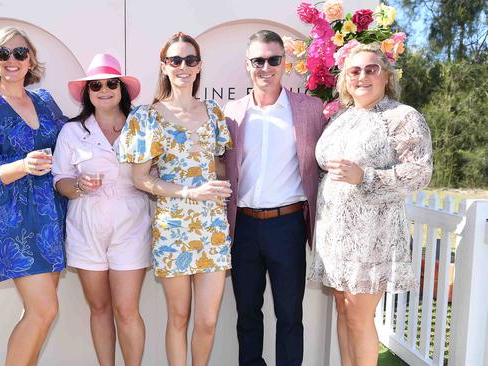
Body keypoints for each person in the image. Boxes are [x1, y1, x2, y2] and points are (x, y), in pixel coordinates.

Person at [308, 43, 432, 366]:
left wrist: (366, 176)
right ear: (345, 79)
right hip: (336, 237)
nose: (362, 76)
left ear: (386, 76)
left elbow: (419, 172)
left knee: (359, 317)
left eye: (371, 69)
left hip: (372, 237)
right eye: (354, 70)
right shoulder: (341, 118)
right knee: (344, 310)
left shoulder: (402, 118)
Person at [118, 32, 232, 366]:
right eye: (175, 60)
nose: (183, 66)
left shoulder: (213, 112)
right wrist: (188, 191)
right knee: (179, 317)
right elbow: (140, 179)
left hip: (212, 227)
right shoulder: (147, 116)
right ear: (164, 67)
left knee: (208, 321)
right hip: (173, 228)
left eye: (190, 60)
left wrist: (219, 185)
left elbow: (222, 163)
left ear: (199, 67)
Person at [0, 27, 67, 365]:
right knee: (44, 309)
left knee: (43, 315)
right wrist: (22, 165)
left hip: (52, 218)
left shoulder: (44, 100)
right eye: (2, 53)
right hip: (14, 221)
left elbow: (71, 142)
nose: (12, 60)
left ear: (31, 59)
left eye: (20, 53)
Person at [223, 30, 326, 366]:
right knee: (248, 315)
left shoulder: (310, 109)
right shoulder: (232, 114)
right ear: (247, 65)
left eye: (273, 59)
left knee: (290, 315)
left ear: (285, 62)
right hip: (245, 228)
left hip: (289, 225)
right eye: (258, 60)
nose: (265, 67)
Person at [51, 53, 150, 366]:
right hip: (85, 223)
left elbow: (155, 174)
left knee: (126, 309)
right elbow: (60, 180)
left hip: (131, 223)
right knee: (99, 308)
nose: (104, 90)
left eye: (111, 83)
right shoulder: (72, 131)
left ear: (121, 88)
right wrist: (79, 186)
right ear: (87, 92)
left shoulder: (141, 126)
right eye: (96, 85)